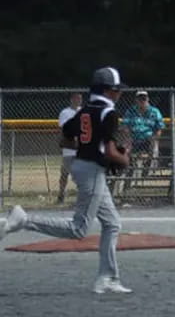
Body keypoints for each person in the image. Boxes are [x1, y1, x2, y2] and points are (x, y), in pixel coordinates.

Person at [0, 67, 132, 294]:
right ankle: (24, 220)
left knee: (112, 223)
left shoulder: (84, 111)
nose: (119, 93)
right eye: (116, 89)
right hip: (92, 170)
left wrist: (91, 147)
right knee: (78, 229)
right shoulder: (109, 112)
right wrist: (125, 158)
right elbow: (110, 152)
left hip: (83, 165)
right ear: (106, 91)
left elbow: (65, 141)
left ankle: (108, 277)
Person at [121, 90, 164, 182]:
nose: (142, 101)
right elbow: (125, 126)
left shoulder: (154, 111)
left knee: (154, 146)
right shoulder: (131, 111)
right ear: (136, 100)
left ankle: (149, 171)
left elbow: (159, 128)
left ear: (148, 99)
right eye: (140, 99)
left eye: (144, 98)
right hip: (134, 138)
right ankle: (127, 170)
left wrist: (155, 138)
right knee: (124, 147)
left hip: (148, 138)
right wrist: (128, 137)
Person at [57, 92, 82, 204]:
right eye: (76, 98)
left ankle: (81, 196)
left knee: (80, 173)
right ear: (71, 99)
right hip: (69, 147)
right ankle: (61, 194)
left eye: (80, 99)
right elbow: (64, 129)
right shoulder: (65, 112)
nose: (78, 100)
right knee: (65, 173)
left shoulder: (83, 111)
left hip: (81, 147)